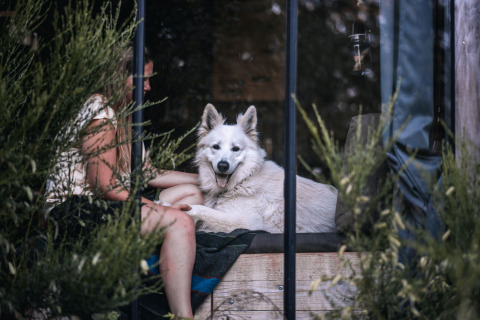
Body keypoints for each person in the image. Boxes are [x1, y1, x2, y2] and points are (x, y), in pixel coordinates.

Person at [45, 44, 202, 319]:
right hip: (73, 211)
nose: (149, 87)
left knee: (192, 193)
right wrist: (160, 212)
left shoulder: (125, 116)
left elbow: (149, 173)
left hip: (105, 207)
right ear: (120, 76)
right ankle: (183, 316)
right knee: (181, 222)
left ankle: (165, 242)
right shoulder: (100, 109)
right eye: (143, 78)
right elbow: (104, 186)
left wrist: (207, 179)